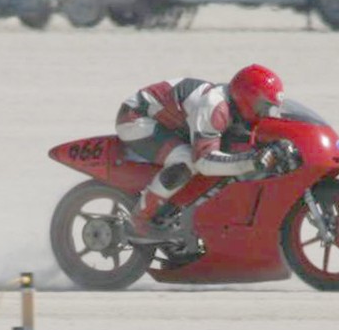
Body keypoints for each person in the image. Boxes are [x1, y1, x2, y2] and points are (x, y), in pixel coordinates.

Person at [115, 64, 288, 241]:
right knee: (185, 160)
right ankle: (139, 221)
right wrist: (250, 162)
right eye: (263, 106)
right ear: (247, 97)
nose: (265, 113)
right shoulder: (215, 107)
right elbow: (204, 161)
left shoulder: (231, 104)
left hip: (168, 123)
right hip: (137, 118)